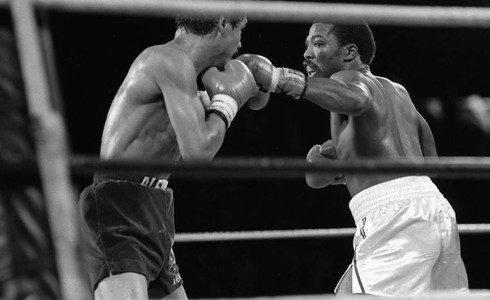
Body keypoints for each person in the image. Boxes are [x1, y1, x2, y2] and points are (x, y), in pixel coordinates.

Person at [236, 22, 469, 296]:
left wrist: (280, 79)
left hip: (395, 216)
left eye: (319, 43)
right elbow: (430, 160)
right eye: (308, 44)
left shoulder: (347, 79)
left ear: (349, 53)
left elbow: (357, 100)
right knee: (345, 292)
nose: (308, 53)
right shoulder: (398, 92)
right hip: (433, 208)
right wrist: (357, 163)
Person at [77, 14, 259, 300]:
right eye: (241, 29)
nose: (241, 42)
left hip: (154, 205)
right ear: (224, 23)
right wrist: (229, 100)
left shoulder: (183, 77)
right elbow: (198, 153)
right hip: (119, 205)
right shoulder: (168, 60)